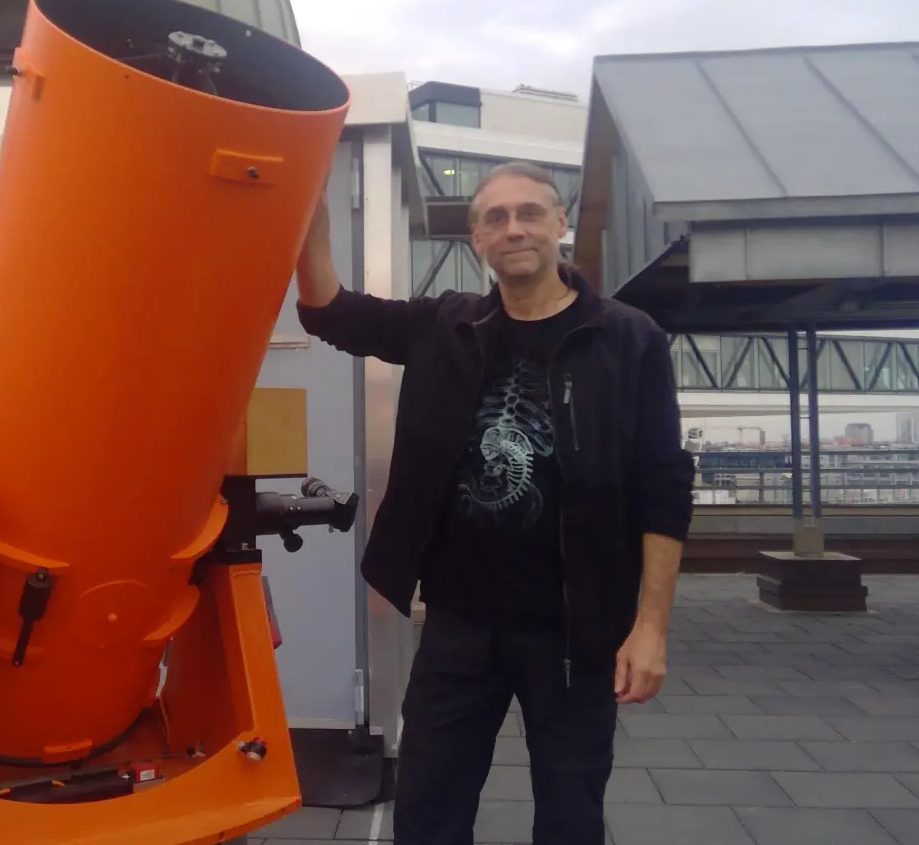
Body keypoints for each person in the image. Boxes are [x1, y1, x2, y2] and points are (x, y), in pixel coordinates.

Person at [293, 160, 694, 844]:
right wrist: (306, 210)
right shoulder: (446, 326)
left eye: (531, 213)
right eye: (496, 218)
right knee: (427, 813)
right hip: (459, 624)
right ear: (476, 238)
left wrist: (649, 628)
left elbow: (664, 486)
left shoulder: (628, 339)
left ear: (560, 224)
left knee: (571, 818)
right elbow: (332, 312)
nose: (515, 229)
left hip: (575, 631)